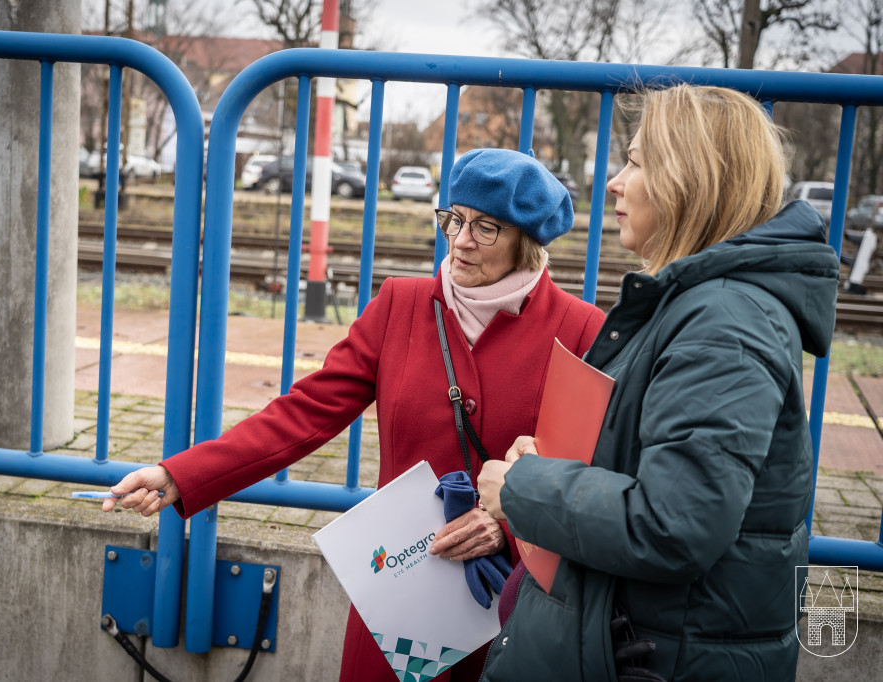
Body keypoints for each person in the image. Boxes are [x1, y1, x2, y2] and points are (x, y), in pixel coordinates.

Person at [102, 147, 606, 681]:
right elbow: (306, 411)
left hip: (512, 600)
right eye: (454, 219)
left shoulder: (580, 330)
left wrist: (510, 522)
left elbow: (584, 475)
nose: (460, 240)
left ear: (526, 243)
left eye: (486, 228)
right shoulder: (401, 305)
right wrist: (178, 475)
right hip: (404, 595)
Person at [476, 84, 840, 681]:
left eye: (637, 163)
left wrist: (525, 489)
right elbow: (658, 464)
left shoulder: (725, 324)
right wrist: (550, 462)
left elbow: (676, 525)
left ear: (690, 179)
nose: (615, 182)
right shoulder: (701, 306)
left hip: (655, 657)